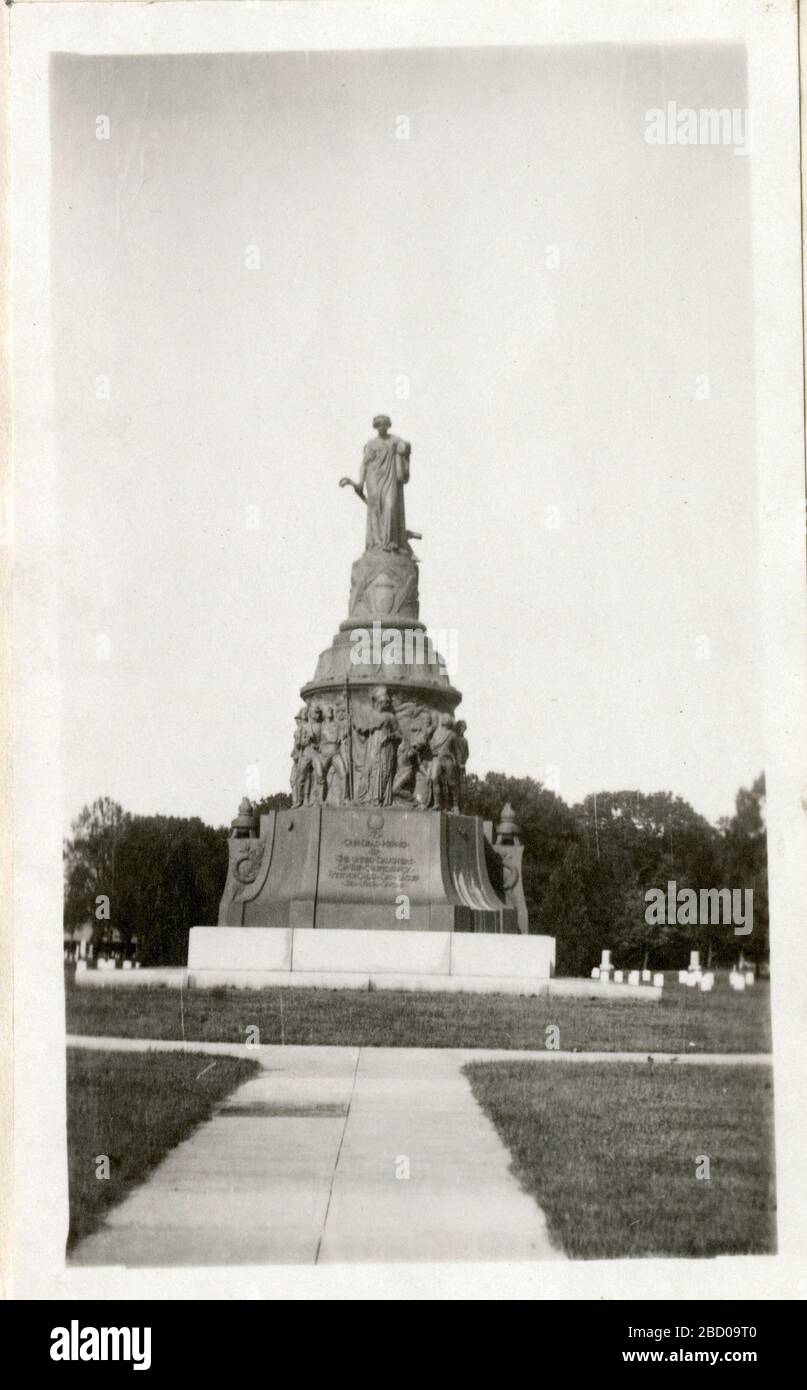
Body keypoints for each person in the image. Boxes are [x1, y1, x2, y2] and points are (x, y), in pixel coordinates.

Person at [339, 415, 412, 554]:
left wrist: (404, 449)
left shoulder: (394, 440)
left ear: (388, 425)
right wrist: (361, 482)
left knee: (390, 506)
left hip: (389, 478)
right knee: (376, 510)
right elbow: (365, 464)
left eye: (384, 425)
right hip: (374, 479)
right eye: (379, 425)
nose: (382, 427)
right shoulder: (371, 444)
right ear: (376, 427)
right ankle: (378, 544)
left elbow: (406, 447)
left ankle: (390, 542)